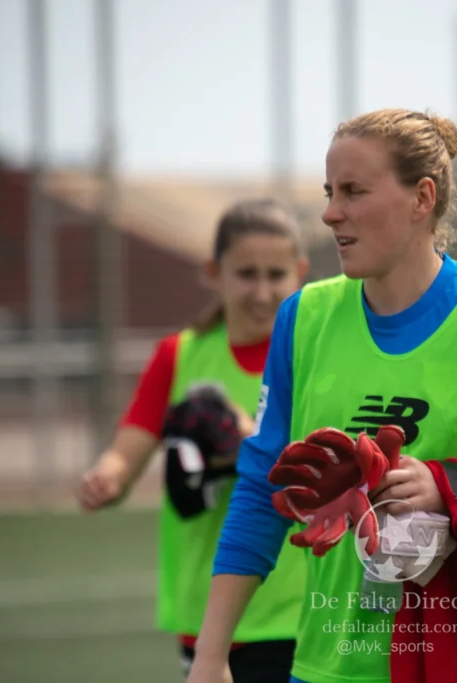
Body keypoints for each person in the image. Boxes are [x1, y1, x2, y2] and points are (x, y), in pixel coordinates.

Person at [186, 108, 457, 683]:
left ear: (422, 198)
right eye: (329, 191)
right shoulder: (303, 318)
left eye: (355, 192)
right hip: (327, 667)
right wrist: (211, 657)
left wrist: (448, 487)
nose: (330, 212)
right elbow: (261, 489)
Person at [77, 199, 310, 682]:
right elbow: (130, 447)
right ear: (213, 272)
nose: (263, 291)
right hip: (209, 617)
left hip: (301, 608)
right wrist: (109, 476)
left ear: (300, 273)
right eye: (247, 273)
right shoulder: (179, 356)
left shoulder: (312, 353)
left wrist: (249, 439)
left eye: (276, 274)